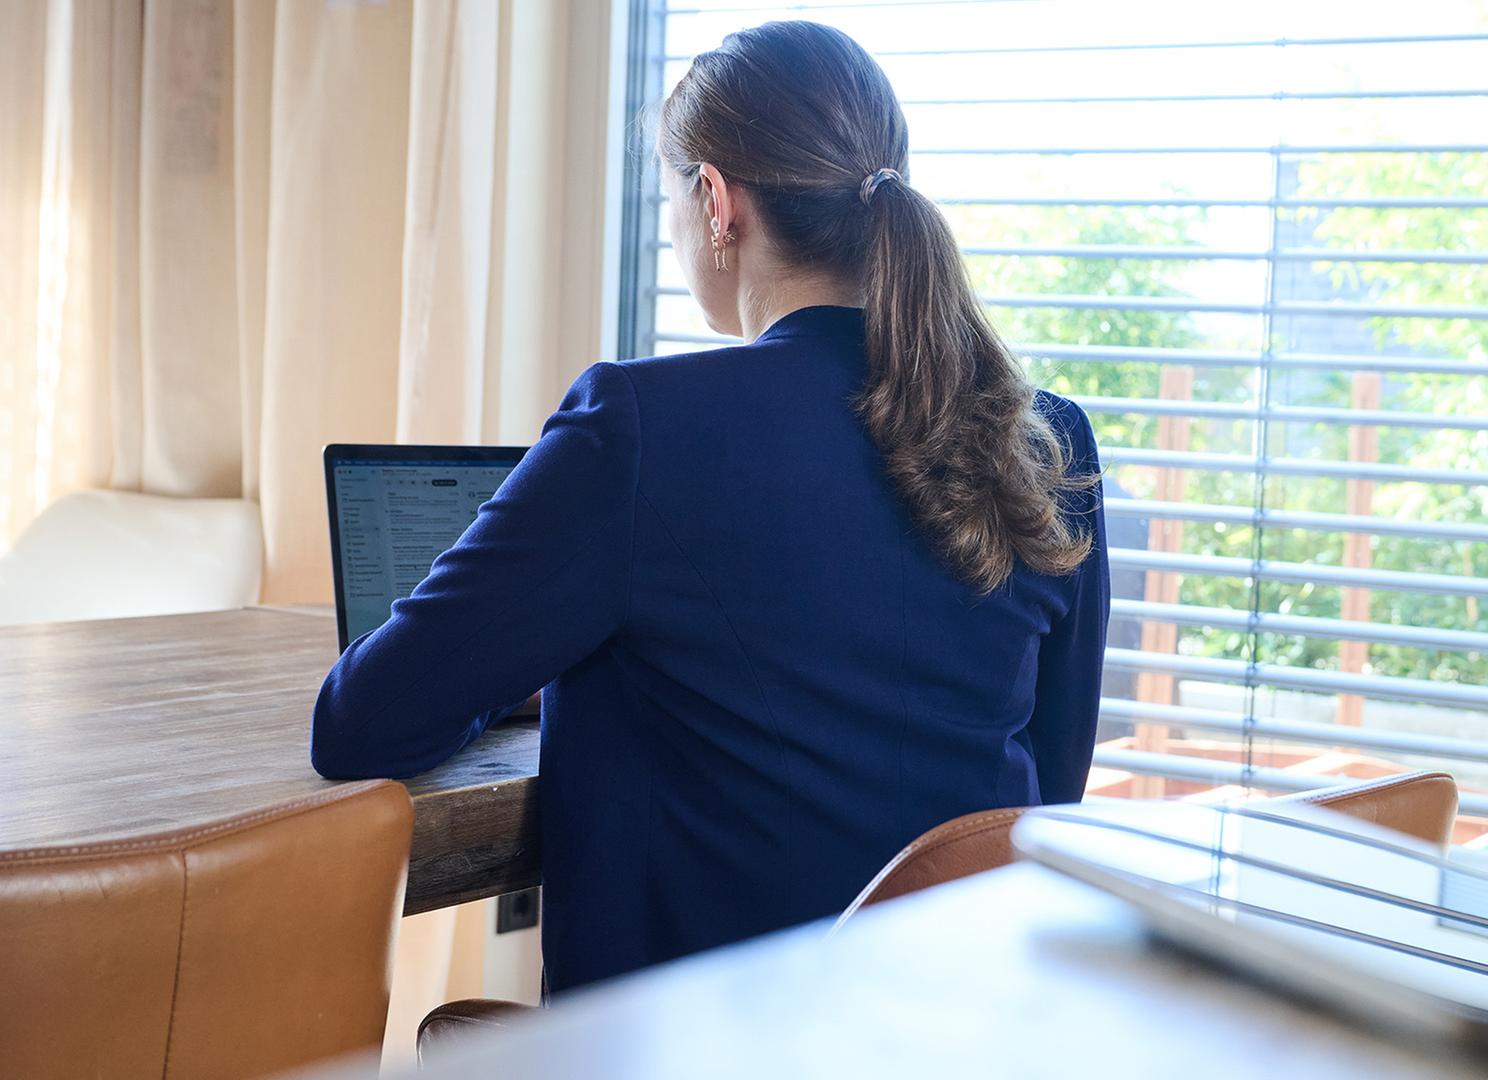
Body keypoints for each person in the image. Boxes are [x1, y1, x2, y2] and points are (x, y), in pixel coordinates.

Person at [309, 20, 1109, 994]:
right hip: (961, 1027)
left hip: (685, 1043)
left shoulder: (643, 427)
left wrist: (526, 664)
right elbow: (1047, 791)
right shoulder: (1048, 441)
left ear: (717, 202)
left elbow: (362, 723)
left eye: (672, 201)